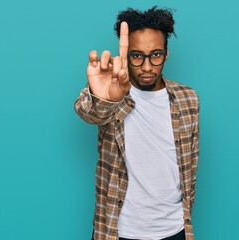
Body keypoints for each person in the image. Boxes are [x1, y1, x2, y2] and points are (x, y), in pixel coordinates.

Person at [74, 6, 200, 240]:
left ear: (166, 53)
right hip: (118, 230)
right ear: (126, 55)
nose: (146, 66)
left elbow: (190, 167)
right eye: (137, 56)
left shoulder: (187, 99)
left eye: (156, 54)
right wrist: (104, 98)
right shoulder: (113, 93)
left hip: (174, 229)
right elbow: (89, 112)